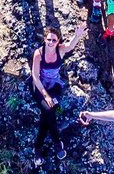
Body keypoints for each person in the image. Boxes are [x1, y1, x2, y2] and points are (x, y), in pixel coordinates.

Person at [31, 22, 87, 165]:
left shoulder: (60, 50)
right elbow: (35, 77)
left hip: (54, 86)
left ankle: (38, 148)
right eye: (48, 39)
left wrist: (77, 35)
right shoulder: (38, 54)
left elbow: (70, 46)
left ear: (58, 41)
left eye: (54, 40)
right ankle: (57, 143)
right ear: (44, 39)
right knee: (48, 111)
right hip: (40, 87)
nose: (51, 42)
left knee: (47, 114)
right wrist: (46, 96)